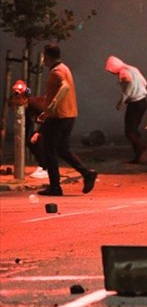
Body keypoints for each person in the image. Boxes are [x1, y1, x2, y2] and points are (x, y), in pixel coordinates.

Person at [35, 44, 98, 196]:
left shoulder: (56, 72)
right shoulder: (64, 68)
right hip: (69, 115)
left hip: (59, 116)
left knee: (49, 150)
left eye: (44, 56)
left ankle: (55, 187)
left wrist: (51, 107)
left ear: (48, 56)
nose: (43, 60)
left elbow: (65, 87)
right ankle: (87, 173)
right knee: (62, 149)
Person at [104, 55, 147, 164]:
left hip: (135, 103)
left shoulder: (123, 72)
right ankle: (139, 155)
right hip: (143, 101)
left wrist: (122, 101)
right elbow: (145, 82)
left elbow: (129, 85)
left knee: (129, 131)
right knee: (134, 130)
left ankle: (142, 149)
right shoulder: (133, 69)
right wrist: (139, 91)